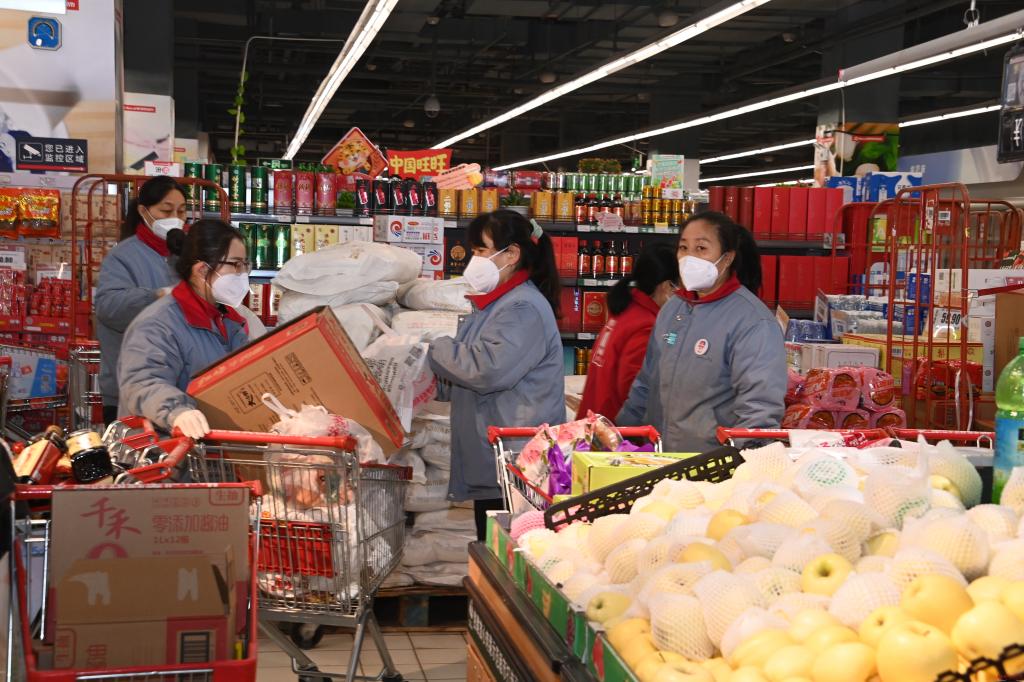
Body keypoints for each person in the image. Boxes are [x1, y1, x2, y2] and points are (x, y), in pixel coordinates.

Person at [428, 211, 565, 540]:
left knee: (511, 554)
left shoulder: (522, 308)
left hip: (517, 465)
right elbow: (468, 373)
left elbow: (487, 369)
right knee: (493, 552)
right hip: (498, 458)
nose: (474, 260)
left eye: (481, 250)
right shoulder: (496, 305)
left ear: (512, 254)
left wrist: (432, 349)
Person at [617, 211, 786, 452]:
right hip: (658, 458)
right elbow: (645, 384)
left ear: (727, 259)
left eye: (701, 248)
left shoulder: (753, 322)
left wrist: (737, 463)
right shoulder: (673, 308)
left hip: (712, 463)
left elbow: (759, 411)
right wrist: (621, 436)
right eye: (683, 248)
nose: (689, 258)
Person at [118, 220, 251, 437]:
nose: (243, 274)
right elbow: (142, 382)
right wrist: (177, 412)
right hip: (163, 451)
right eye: (235, 265)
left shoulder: (230, 323)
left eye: (245, 265)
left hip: (207, 451)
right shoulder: (157, 324)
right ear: (202, 270)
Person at [95, 176, 186, 424]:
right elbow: (108, 307)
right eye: (166, 211)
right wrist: (157, 295)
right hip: (129, 390)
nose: (175, 218)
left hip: (179, 391)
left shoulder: (186, 253)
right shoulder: (122, 256)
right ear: (143, 211)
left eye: (181, 211)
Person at [576, 242, 679, 420]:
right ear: (666, 286)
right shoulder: (645, 326)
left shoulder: (627, 311)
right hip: (615, 431)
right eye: (678, 286)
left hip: (596, 424)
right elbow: (635, 392)